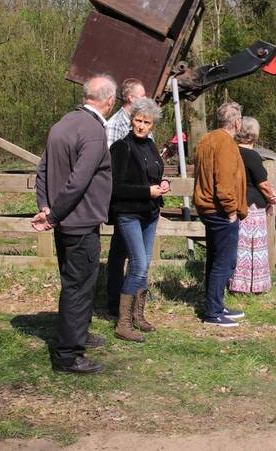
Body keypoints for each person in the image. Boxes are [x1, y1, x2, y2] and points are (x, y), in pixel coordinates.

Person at [33, 74, 117, 375]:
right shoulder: (93, 132)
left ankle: (76, 335)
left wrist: (45, 206)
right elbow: (78, 181)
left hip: (66, 220)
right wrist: (52, 214)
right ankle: (69, 355)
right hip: (79, 222)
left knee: (74, 282)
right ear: (110, 101)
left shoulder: (63, 124)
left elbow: (42, 169)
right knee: (79, 287)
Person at [108, 98, 171, 342]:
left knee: (144, 266)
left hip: (150, 213)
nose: (141, 126)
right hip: (128, 213)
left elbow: (155, 175)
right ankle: (122, 323)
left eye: (146, 122)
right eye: (137, 120)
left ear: (153, 124)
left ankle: (138, 315)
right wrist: (147, 191)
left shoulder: (151, 147)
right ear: (131, 120)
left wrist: (164, 185)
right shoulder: (121, 148)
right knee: (138, 264)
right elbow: (115, 187)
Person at [193, 102, 248, 326]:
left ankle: (216, 304)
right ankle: (213, 312)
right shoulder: (225, 143)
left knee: (216, 259)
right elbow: (224, 182)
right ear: (236, 122)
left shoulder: (206, 139)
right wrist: (231, 210)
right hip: (220, 210)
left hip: (208, 207)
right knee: (224, 261)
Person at [105, 77, 147, 314]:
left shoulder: (142, 123)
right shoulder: (114, 125)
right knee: (120, 251)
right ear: (131, 97)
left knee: (137, 254)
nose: (146, 98)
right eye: (142, 94)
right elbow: (111, 168)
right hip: (123, 200)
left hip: (142, 200)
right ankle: (115, 303)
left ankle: (134, 303)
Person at [229, 117, 276, 294]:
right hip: (252, 206)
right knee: (254, 247)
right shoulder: (252, 156)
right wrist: (272, 198)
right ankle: (254, 285)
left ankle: (236, 284)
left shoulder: (232, 152)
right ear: (254, 134)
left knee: (239, 246)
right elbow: (262, 183)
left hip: (236, 204)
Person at [105, 78, 146, 146]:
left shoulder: (144, 120)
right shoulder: (115, 124)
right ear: (131, 98)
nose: (146, 99)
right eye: (142, 96)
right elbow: (111, 154)